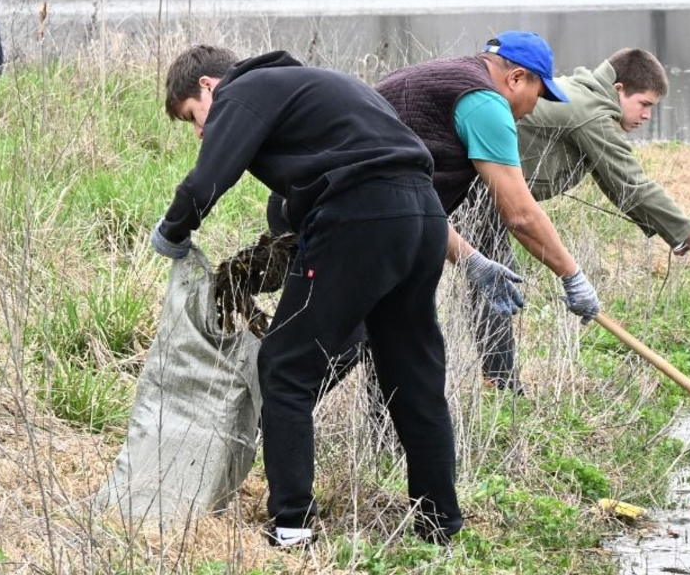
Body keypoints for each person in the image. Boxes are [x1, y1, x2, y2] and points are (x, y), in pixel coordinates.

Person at [150, 45, 463, 547]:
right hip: (424, 217)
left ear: (208, 85)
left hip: (361, 215)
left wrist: (173, 231)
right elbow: (302, 186)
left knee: (286, 366)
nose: (199, 131)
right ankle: (438, 524)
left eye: (193, 116)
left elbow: (209, 177)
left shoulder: (241, 90)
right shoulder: (312, 85)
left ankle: (291, 526)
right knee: (412, 373)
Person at [465, 47, 690, 389]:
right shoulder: (592, 113)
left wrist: (680, 235)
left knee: (495, 278)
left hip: (487, 190)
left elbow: (619, 189)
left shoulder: (581, 93)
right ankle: (501, 384)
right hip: (475, 189)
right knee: (495, 280)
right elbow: (634, 185)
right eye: (645, 104)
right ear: (619, 89)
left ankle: (499, 381)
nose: (647, 116)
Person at [373, 32, 603, 388]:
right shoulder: (484, 103)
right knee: (344, 344)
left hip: (363, 212)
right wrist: (572, 276)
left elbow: (414, 203)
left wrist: (469, 259)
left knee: (396, 338)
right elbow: (521, 215)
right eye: (538, 95)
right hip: (349, 217)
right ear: (516, 78)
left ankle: (384, 437)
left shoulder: (449, 80)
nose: (531, 110)